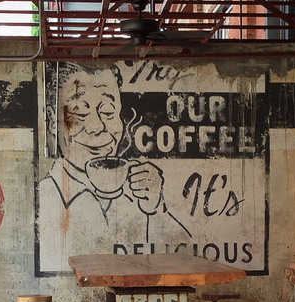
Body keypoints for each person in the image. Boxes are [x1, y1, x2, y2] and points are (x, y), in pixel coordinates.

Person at [38, 62, 190, 272]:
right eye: (81, 113)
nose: (98, 127)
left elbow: (185, 259)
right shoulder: (43, 196)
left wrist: (156, 210)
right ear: (53, 121)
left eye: (108, 112)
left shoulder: (139, 194)